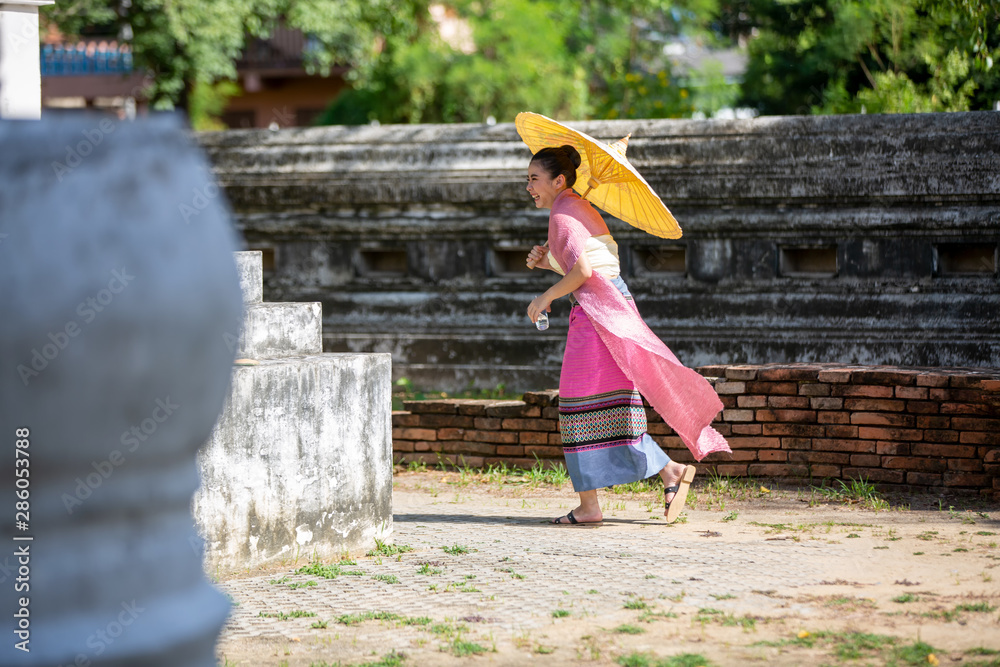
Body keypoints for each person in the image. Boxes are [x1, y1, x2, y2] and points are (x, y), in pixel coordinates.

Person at [524, 144, 730, 525]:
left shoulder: (562, 216)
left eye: (534, 179)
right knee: (608, 403)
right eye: (528, 180)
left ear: (558, 180)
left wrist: (544, 297)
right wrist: (549, 265)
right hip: (608, 307)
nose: (529, 187)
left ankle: (597, 503)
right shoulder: (579, 207)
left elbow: (584, 273)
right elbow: (594, 270)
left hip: (598, 316)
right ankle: (663, 473)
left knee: (577, 405)